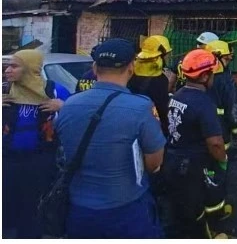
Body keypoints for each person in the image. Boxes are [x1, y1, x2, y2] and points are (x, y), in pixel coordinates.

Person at [54, 39, 166, 239]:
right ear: (131, 68)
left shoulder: (68, 105)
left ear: (95, 67)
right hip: (127, 208)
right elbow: (154, 163)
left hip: (79, 210)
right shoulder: (140, 107)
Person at [2, 50, 70, 238]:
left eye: (14, 66)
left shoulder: (54, 91)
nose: (7, 70)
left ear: (31, 69)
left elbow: (79, 116)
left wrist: (63, 106)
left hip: (40, 162)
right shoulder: (4, 90)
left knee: (34, 213)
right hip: (6, 162)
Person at [162, 49, 228, 238]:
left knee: (179, 209)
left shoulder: (178, 95)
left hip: (173, 161)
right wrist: (223, 159)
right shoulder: (204, 103)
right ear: (205, 76)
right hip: (193, 168)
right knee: (195, 213)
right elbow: (215, 142)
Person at [128, 35, 174, 136]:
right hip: (152, 128)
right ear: (161, 55)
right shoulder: (160, 80)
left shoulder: (131, 72)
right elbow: (162, 109)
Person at [205, 40, 237, 150]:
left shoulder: (198, 77)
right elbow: (233, 110)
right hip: (220, 131)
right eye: (226, 59)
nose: (228, 62)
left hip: (200, 134)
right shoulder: (226, 81)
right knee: (220, 163)